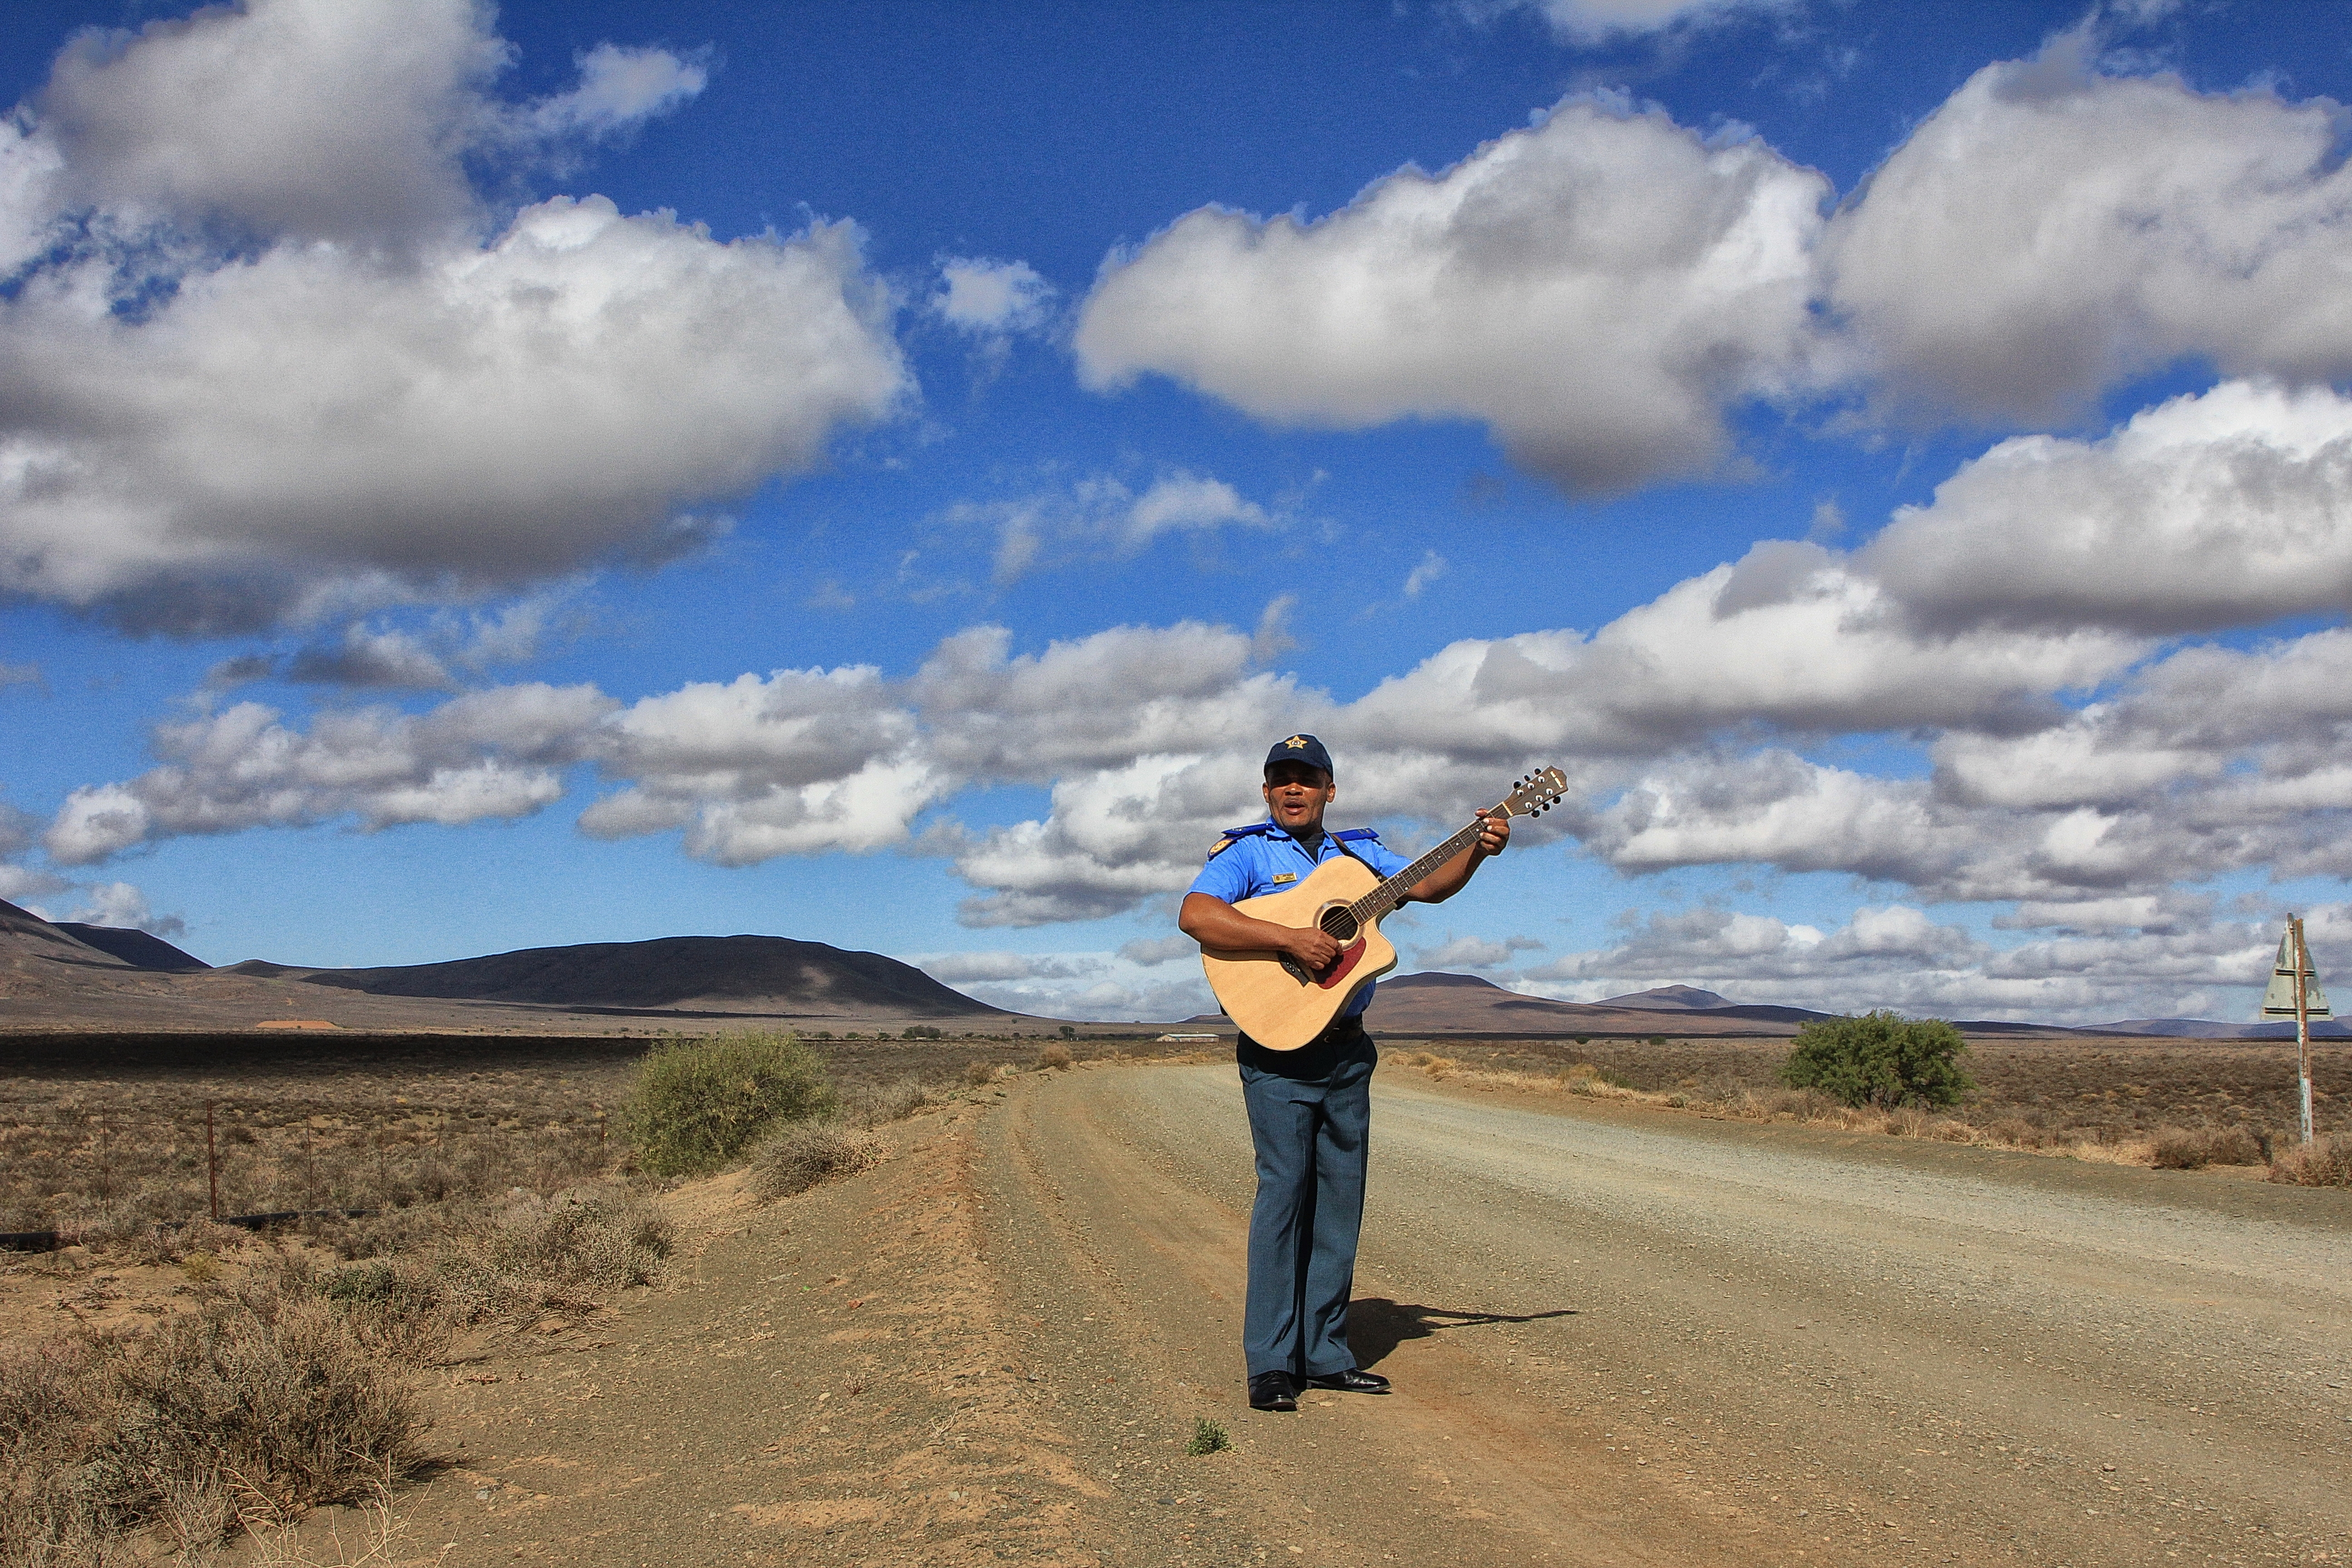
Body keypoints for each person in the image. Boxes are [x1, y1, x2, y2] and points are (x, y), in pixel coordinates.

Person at [1177, 733, 1509, 1412]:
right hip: (1276, 1051)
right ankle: (1270, 1362)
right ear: (1267, 792)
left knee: (1338, 1204)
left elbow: (1430, 884)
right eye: (1282, 779)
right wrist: (1288, 936)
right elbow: (1197, 916)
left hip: (1346, 1051)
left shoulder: (1361, 858)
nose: (1294, 789)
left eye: (1308, 778)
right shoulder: (1245, 854)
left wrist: (1477, 847)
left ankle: (1325, 1353)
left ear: (1331, 790)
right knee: (1283, 1199)